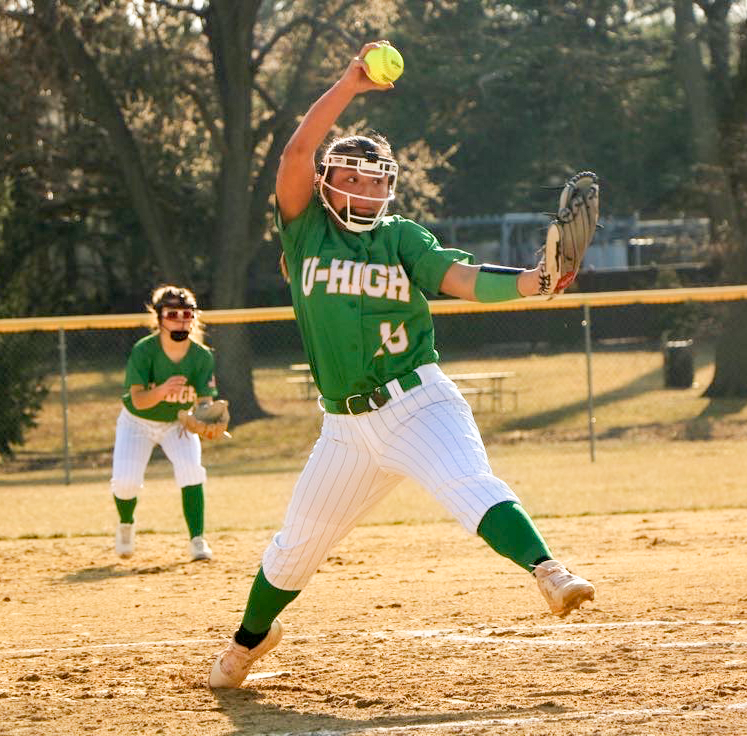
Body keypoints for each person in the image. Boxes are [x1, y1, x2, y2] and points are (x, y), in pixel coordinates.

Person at [208, 42, 594, 688]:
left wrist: (531, 283)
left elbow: (461, 277)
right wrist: (350, 85)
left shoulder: (400, 238)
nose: (367, 185)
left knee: (466, 483)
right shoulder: (305, 232)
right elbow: (294, 154)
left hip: (416, 402)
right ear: (329, 182)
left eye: (377, 176)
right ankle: (249, 643)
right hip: (345, 429)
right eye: (353, 175)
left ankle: (549, 572)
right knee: (295, 548)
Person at [110, 285, 226, 563]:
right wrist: (162, 390)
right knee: (125, 483)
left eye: (187, 314)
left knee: (191, 471)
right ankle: (126, 525)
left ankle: (197, 539)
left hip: (178, 423)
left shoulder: (201, 356)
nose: (180, 319)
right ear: (159, 317)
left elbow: (203, 401)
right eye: (172, 313)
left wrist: (206, 417)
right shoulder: (145, 351)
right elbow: (138, 400)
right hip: (137, 422)